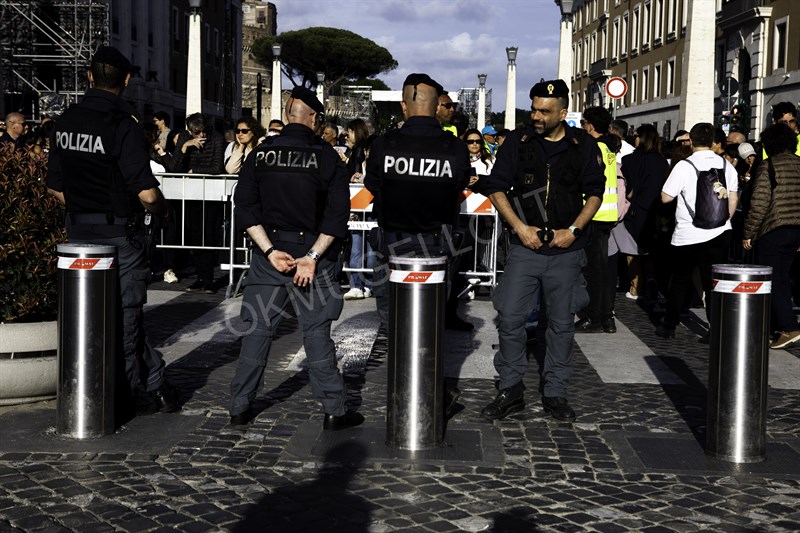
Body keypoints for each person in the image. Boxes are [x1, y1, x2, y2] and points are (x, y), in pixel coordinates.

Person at [45, 46, 178, 418]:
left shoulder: (66, 120)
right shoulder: (125, 125)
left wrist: (83, 206)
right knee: (125, 316)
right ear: (126, 80)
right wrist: (163, 210)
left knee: (86, 317)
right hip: (120, 233)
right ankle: (133, 392)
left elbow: (54, 186)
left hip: (78, 232)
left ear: (89, 76)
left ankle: (151, 382)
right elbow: (147, 193)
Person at [229, 86, 363, 430]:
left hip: (268, 253)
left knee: (257, 331)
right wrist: (312, 257)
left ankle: (240, 406)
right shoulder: (327, 157)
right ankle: (334, 409)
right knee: (316, 334)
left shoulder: (262, 153)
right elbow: (337, 214)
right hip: (312, 256)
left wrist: (270, 251)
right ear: (315, 118)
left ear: (289, 114)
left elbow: (243, 207)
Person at [473, 79, 605, 422]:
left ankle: (555, 393)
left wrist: (573, 231)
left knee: (560, 325)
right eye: (533, 108)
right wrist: (520, 228)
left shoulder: (584, 145)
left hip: (565, 249)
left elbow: (594, 193)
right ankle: (511, 388)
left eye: (544, 111)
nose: (535, 116)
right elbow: (497, 188)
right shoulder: (518, 142)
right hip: (524, 247)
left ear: (563, 112)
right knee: (511, 319)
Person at [364, 73, 472, 332]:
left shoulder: (384, 144)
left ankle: (399, 368)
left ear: (404, 105)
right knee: (430, 324)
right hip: (437, 246)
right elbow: (459, 185)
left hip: (392, 245)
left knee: (394, 325)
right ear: (436, 106)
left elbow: (373, 185)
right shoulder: (455, 147)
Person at [656, 122, 739, 339]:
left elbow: (666, 197)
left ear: (691, 141)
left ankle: (670, 325)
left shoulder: (684, 166)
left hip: (688, 233)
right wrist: (722, 220)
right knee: (712, 283)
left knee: (681, 279)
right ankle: (716, 329)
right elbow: (733, 197)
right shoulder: (726, 165)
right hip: (720, 232)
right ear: (713, 141)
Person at [743, 123, 800, 349]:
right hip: (796, 230)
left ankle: (789, 327)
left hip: (773, 229)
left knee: (771, 280)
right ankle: (778, 327)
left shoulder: (769, 166)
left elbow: (759, 203)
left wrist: (748, 233)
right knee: (783, 278)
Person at [575, 106, 619, 334]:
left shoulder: (593, 148)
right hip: (607, 215)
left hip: (593, 214)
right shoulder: (609, 147)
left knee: (593, 271)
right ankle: (605, 316)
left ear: (590, 125)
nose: (583, 127)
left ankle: (595, 316)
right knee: (601, 269)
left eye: (584, 123)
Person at [173, 113, 226, 293]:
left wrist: (194, 170)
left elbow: (217, 168)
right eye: (197, 133)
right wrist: (184, 149)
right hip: (191, 193)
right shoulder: (184, 138)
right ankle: (200, 277)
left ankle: (209, 279)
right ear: (190, 130)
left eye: (204, 131)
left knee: (209, 236)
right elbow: (174, 168)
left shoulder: (217, 138)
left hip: (210, 193)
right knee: (195, 236)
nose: (202, 136)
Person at [616, 124, 669, 300]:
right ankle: (652, 280)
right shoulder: (661, 161)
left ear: (641, 137)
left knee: (633, 252)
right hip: (655, 211)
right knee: (651, 250)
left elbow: (627, 188)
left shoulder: (629, 160)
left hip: (634, 210)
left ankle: (635, 287)